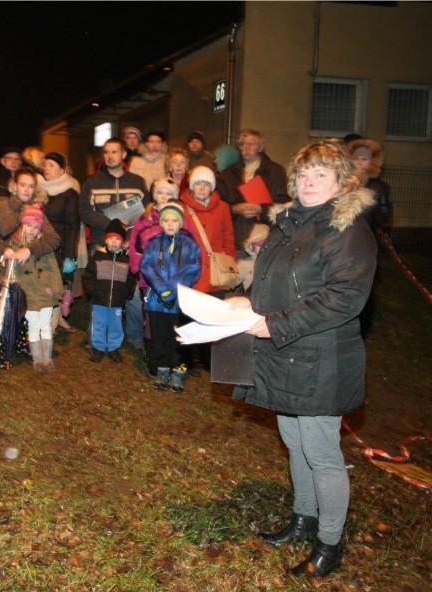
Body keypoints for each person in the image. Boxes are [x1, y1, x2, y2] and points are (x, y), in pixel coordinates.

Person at [230, 139, 377, 579]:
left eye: (321, 175)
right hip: (284, 352)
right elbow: (274, 281)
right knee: (294, 442)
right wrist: (246, 303)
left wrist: (274, 323)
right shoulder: (288, 223)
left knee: (322, 453)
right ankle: (302, 518)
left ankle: (329, 543)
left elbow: (345, 298)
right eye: (304, 175)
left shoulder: (348, 229)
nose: (310, 183)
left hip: (320, 359)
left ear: (340, 181)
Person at [0, 168, 61, 366]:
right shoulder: (0, 204)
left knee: (25, 309)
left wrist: (30, 250)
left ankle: (23, 346)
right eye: (23, 184)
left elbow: (53, 239)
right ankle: (0, 354)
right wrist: (4, 248)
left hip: (25, 273)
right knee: (3, 311)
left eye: (31, 186)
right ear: (14, 186)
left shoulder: (36, 210)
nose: (26, 189)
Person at [79, 138, 150, 351]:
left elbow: (146, 213)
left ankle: (135, 337)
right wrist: (112, 223)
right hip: (102, 246)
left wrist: (132, 238)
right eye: (107, 153)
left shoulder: (138, 182)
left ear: (123, 154)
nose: (110, 156)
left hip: (130, 247)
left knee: (133, 294)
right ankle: (96, 335)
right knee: (101, 291)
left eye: (115, 152)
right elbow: (84, 212)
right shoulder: (92, 182)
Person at [179, 165, 236, 372]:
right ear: (192, 186)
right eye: (197, 183)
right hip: (191, 271)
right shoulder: (182, 207)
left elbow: (228, 237)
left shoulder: (223, 208)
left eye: (206, 184)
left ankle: (209, 359)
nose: (201, 187)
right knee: (188, 315)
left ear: (211, 186)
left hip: (214, 272)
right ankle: (187, 358)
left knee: (212, 317)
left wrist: (229, 263)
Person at [139, 202, 200, 392]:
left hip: (180, 301)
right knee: (158, 337)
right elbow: (146, 266)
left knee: (178, 337)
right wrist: (162, 290)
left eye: (174, 220)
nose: (170, 224)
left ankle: (178, 372)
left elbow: (193, 269)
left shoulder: (190, 244)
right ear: (161, 223)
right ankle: (162, 370)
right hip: (157, 301)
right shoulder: (154, 243)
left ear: (180, 223)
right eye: (166, 220)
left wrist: (172, 290)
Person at [217, 129, 290, 256]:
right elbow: (218, 203)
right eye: (243, 144)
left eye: (252, 144)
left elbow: (284, 203)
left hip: (266, 238)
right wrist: (234, 209)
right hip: (237, 239)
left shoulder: (276, 172)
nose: (247, 148)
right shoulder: (227, 174)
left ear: (260, 147)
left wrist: (261, 208)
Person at [11, 204, 65, 372]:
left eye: (36, 227)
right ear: (22, 225)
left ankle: (47, 359)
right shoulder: (15, 247)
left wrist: (56, 290)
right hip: (28, 295)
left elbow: (53, 269)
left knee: (46, 325)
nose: (32, 230)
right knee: (33, 325)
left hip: (45, 292)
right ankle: (37, 360)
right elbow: (14, 274)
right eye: (28, 225)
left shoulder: (43, 247)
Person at [38, 152, 81, 334]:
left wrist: (70, 255)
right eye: (45, 164)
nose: (47, 168)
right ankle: (39, 324)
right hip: (38, 248)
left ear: (62, 170)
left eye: (52, 166)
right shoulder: (38, 189)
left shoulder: (69, 193)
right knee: (38, 287)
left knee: (55, 288)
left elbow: (73, 226)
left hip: (59, 248)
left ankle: (50, 326)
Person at [83, 219, 136, 363]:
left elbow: (131, 278)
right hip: (99, 299)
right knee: (99, 324)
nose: (113, 242)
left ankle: (113, 348)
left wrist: (126, 292)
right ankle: (98, 348)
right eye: (111, 238)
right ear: (106, 240)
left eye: (117, 239)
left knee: (115, 325)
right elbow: (88, 276)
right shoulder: (97, 257)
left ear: (122, 242)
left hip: (117, 300)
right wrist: (92, 290)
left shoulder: (125, 259)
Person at [346, 137, 392, 232]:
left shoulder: (378, 187)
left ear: (372, 162)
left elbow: (384, 215)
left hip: (365, 232)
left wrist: (365, 221)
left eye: (364, 159)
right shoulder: (343, 182)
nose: (359, 162)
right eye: (356, 158)